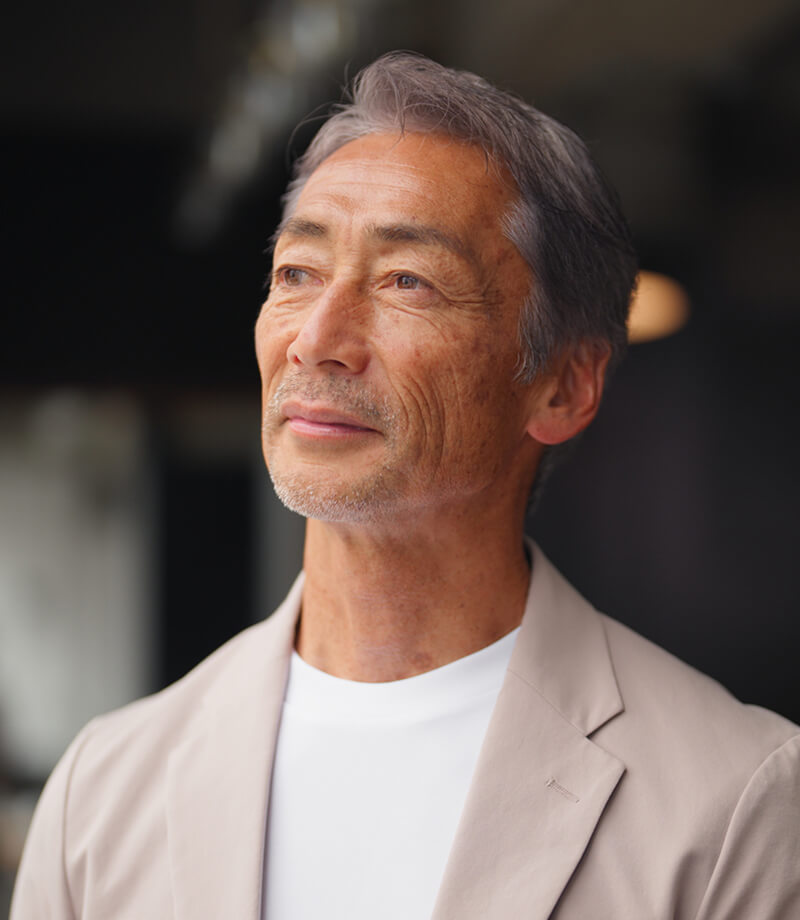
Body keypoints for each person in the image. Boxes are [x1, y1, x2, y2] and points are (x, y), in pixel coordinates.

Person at [11, 51, 800, 920]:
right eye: (297, 274)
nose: (317, 339)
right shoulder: (102, 789)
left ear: (565, 387)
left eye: (406, 282)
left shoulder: (736, 803)